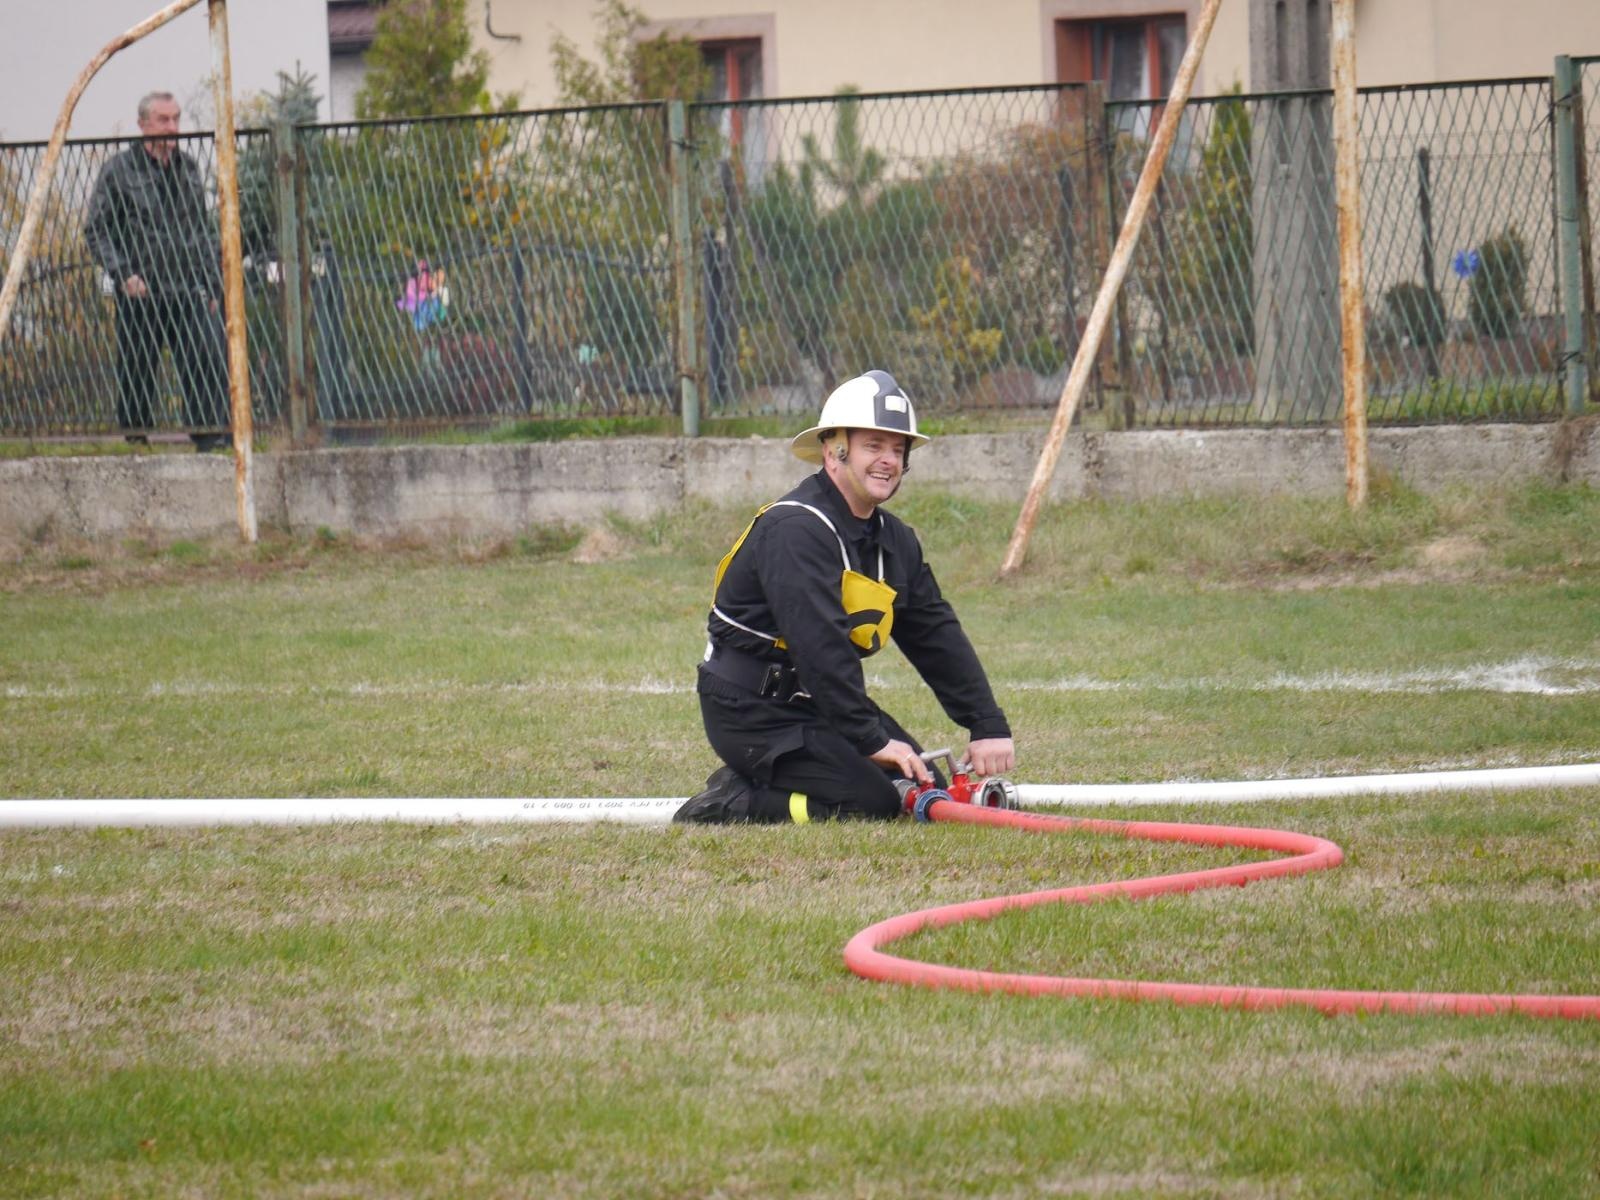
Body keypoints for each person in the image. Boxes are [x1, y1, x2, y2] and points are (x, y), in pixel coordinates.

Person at [675, 369, 1015, 824]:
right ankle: (734, 798)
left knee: (925, 788)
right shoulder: (794, 530)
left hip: (817, 703)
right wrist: (869, 738)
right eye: (873, 446)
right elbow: (820, 648)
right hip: (750, 711)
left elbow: (935, 633)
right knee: (872, 802)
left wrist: (986, 723)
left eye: (898, 449)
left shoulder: (895, 541)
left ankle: (801, 773)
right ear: (834, 449)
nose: (888, 461)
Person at [84, 91, 231, 452]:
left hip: (187, 285)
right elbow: (96, 230)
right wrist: (122, 275)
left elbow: (201, 230)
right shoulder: (119, 170)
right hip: (141, 288)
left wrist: (213, 284)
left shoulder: (188, 169)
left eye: (176, 119)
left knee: (206, 355)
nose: (173, 127)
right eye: (164, 120)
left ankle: (209, 435)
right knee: (137, 365)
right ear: (143, 125)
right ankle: (135, 437)